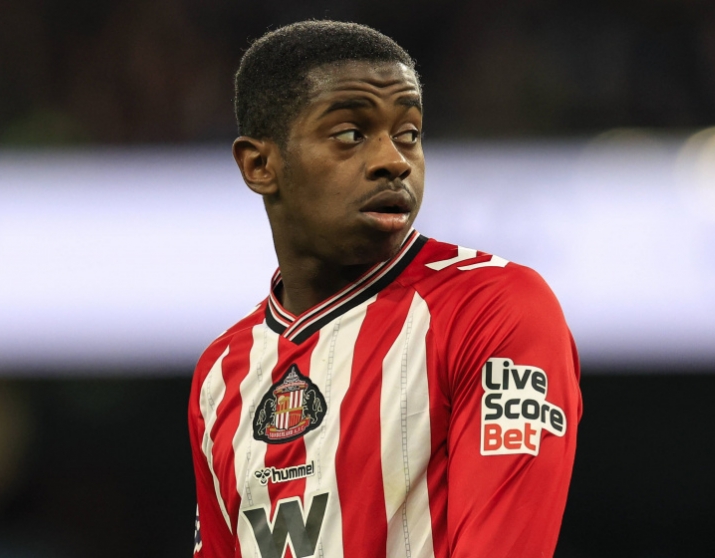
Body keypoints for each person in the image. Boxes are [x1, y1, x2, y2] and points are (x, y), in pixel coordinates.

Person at [188, 20, 581, 558]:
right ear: (260, 164)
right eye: (351, 134)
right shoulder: (220, 373)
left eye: (409, 135)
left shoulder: (492, 307)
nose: (394, 161)